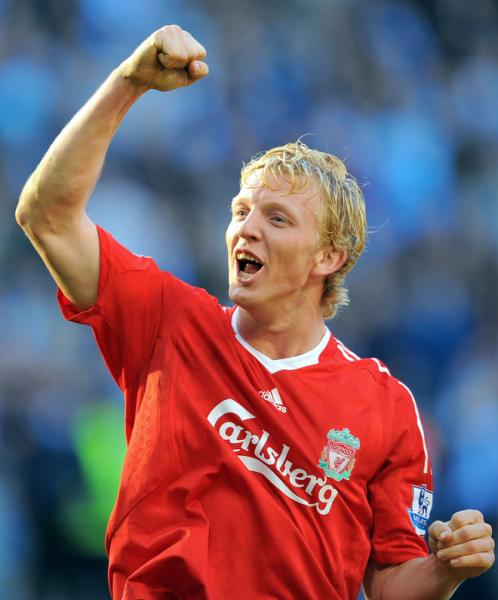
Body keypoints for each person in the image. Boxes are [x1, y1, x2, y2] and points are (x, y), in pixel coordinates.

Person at [16, 25, 494, 600]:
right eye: (241, 210)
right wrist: (128, 83)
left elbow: (390, 583)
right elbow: (47, 216)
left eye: (277, 218)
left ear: (329, 256)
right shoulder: (170, 320)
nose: (246, 228)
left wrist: (447, 568)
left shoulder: (385, 407)